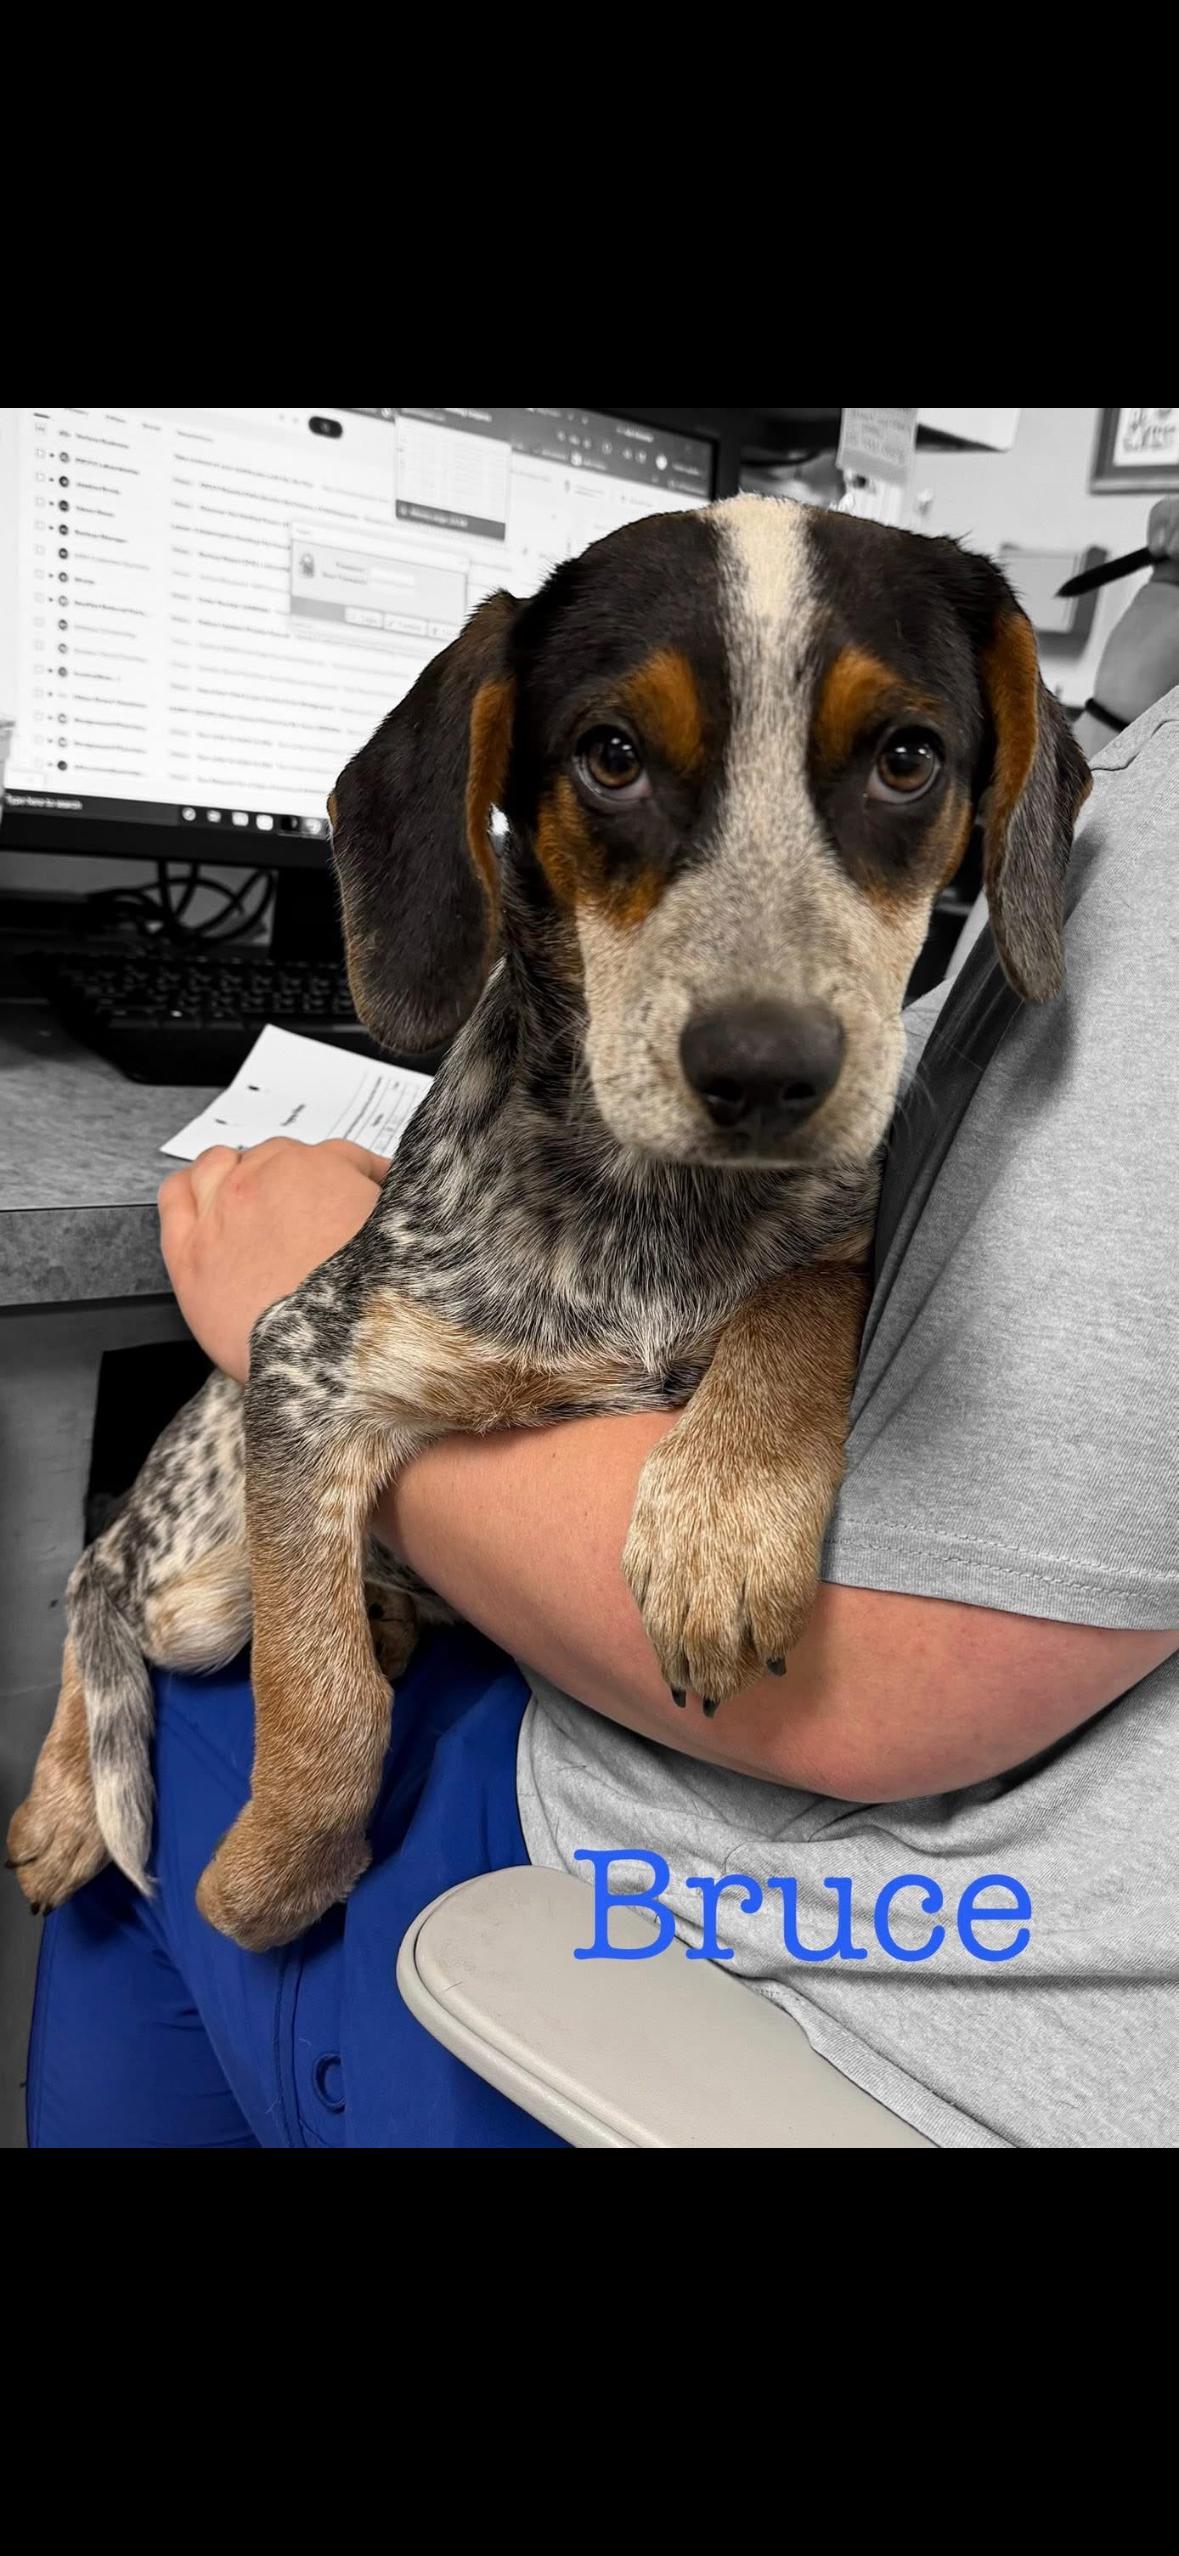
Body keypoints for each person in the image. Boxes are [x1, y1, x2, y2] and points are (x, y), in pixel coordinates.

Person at [25, 502, 1179, 2149]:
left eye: (902, 760)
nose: (768, 1023)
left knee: (189, 1687)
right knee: (179, 1603)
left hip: (850, 1960)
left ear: (1001, 790)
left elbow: (902, 1675)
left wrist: (781, 1358)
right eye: (619, 760)